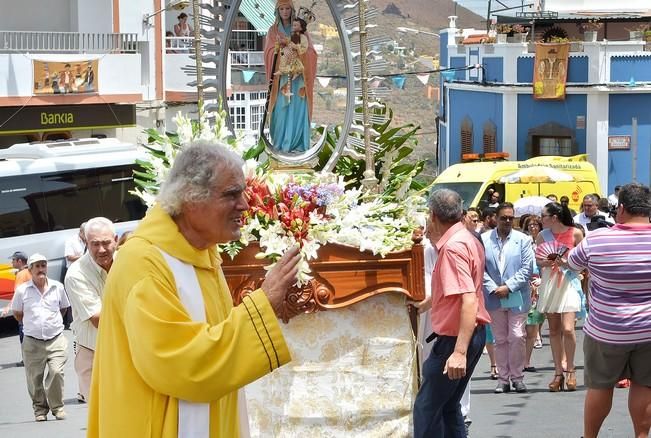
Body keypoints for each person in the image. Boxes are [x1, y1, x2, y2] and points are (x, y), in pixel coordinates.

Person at [87, 141, 302, 437]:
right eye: (231, 194)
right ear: (190, 198)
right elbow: (180, 364)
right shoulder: (144, 263)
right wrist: (264, 305)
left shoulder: (201, 252)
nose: (244, 205)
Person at [567, 182, 651, 438]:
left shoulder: (598, 239)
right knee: (645, 385)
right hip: (648, 330)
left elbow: (572, 263)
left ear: (621, 208)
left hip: (606, 330)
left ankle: (589, 436)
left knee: (600, 386)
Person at [412, 189, 490, 437]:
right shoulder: (468, 239)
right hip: (468, 334)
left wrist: (458, 352)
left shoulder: (453, 247)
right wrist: (427, 303)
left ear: (432, 215)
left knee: (427, 409)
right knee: (447, 407)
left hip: (454, 339)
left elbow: (468, 299)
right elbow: (455, 289)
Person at [482, 202, 534, 393]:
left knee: (517, 335)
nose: (507, 221)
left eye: (510, 218)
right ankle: (503, 379)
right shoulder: (484, 239)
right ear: (496, 218)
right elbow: (480, 268)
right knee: (500, 339)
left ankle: (517, 377)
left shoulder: (523, 240)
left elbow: (527, 268)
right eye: (503, 217)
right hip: (494, 296)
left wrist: (509, 286)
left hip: (517, 296)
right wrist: (494, 287)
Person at [11, 253, 70, 422]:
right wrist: (34, 326)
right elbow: (17, 313)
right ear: (30, 270)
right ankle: (40, 410)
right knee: (34, 378)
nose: (40, 269)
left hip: (56, 338)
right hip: (32, 341)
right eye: (36, 266)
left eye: (43, 265)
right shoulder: (22, 290)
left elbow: (63, 308)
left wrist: (51, 323)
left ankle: (58, 408)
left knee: (57, 371)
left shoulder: (57, 287)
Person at [64, 217, 117, 404]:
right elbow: (98, 319)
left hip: (128, 349)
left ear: (116, 240)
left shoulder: (126, 261)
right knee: (106, 419)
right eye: (95, 244)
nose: (101, 249)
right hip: (94, 352)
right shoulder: (76, 274)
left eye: (106, 243)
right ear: (86, 243)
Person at [536, 202, 584, 392]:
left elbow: (582, 261)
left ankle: (571, 369)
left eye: (544, 216)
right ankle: (558, 373)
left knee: (568, 328)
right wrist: (547, 262)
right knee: (554, 330)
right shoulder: (542, 236)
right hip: (550, 282)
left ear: (554, 217)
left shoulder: (576, 233)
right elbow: (539, 261)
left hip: (569, 281)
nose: (541, 219)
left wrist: (567, 263)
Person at [264, 0, 317, 153]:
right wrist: (280, 50)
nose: (285, 12)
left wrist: (299, 54)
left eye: (287, 8)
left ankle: (298, 147)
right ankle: (280, 144)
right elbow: (268, 53)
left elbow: (311, 53)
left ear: (292, 10)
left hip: (298, 80)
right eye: (282, 9)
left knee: (297, 110)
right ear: (277, 11)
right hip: (281, 81)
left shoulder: (301, 29)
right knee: (280, 111)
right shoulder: (273, 31)